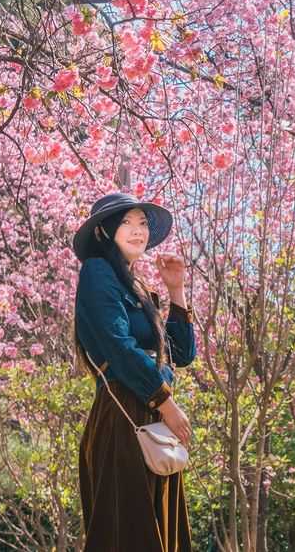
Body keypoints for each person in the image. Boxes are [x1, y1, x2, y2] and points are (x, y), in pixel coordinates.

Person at [73, 192, 196, 552]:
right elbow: (118, 347)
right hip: (125, 414)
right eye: (126, 221)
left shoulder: (139, 289)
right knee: (129, 533)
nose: (137, 230)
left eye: (142, 223)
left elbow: (182, 354)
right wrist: (166, 403)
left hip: (152, 416)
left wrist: (176, 290)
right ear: (104, 231)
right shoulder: (97, 271)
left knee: (160, 533)